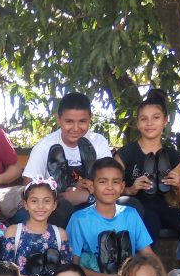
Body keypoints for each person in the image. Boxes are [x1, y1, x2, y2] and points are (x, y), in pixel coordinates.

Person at [65, 158, 180, 276]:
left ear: (122, 186)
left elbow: (150, 256)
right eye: (103, 181)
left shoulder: (130, 214)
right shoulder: (79, 219)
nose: (110, 187)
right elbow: (72, 266)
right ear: (92, 186)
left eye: (116, 182)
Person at [20, 92, 114, 225]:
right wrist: (61, 196)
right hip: (58, 207)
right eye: (69, 121)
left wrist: (88, 195)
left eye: (82, 121)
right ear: (58, 119)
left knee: (130, 204)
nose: (76, 128)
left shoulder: (98, 142)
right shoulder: (44, 146)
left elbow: (111, 181)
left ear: (90, 118)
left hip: (94, 201)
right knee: (64, 207)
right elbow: (28, 187)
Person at [116, 90, 180, 240]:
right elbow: (110, 190)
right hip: (135, 208)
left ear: (165, 121)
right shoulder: (126, 153)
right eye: (144, 119)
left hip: (163, 209)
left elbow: (175, 202)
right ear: (138, 123)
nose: (149, 123)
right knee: (150, 220)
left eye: (156, 118)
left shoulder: (172, 156)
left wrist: (178, 186)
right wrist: (131, 189)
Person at [2, 179, 73, 276]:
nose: (40, 206)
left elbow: (67, 270)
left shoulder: (60, 234)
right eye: (34, 201)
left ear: (54, 205)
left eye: (47, 201)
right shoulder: (13, 232)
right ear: (25, 204)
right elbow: (5, 271)